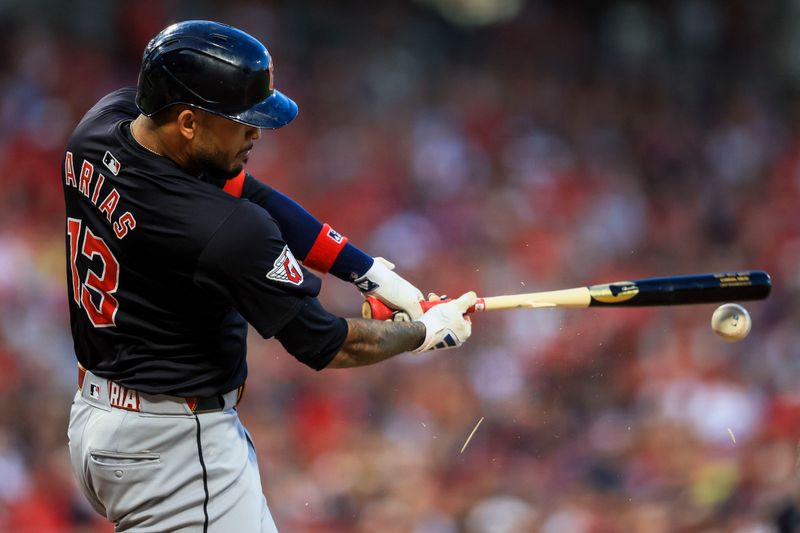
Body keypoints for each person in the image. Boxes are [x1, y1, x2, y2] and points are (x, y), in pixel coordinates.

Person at [63, 20, 476, 532]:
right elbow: (325, 344)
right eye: (241, 121)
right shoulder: (223, 230)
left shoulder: (100, 126)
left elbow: (245, 190)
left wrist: (365, 271)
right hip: (173, 449)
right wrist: (424, 333)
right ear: (189, 122)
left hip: (97, 421)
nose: (256, 132)